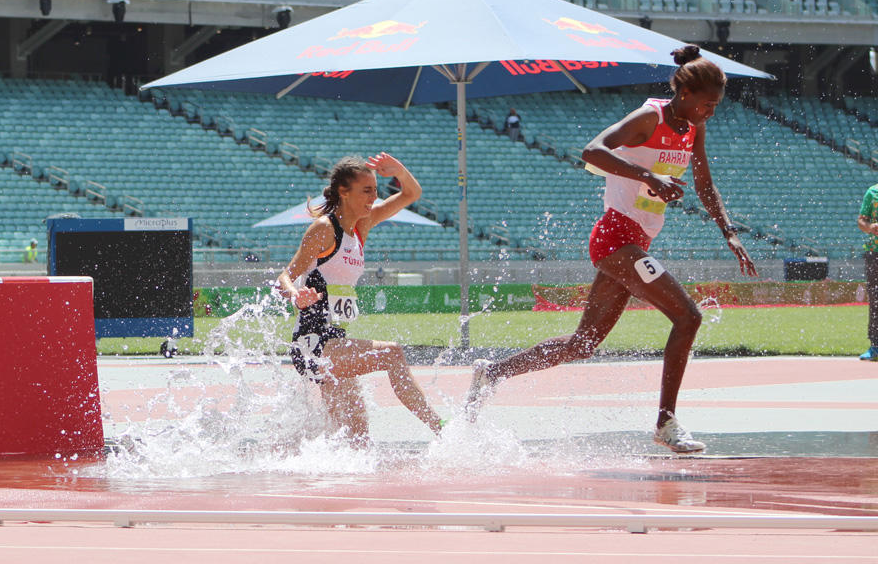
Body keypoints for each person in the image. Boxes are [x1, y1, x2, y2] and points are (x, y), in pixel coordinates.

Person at [466, 45, 757, 453]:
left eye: (716, 106)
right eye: (708, 104)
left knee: (583, 344)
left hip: (636, 241)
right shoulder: (649, 117)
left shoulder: (693, 126)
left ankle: (492, 372)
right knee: (688, 317)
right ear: (686, 95)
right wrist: (647, 174)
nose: (712, 112)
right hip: (615, 238)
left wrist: (729, 231)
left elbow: (705, 183)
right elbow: (592, 151)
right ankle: (666, 422)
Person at [276, 153, 444, 443]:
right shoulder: (324, 230)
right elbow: (284, 278)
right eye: (367, 191)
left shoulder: (360, 227)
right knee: (392, 353)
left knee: (356, 438)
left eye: (376, 191)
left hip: (336, 341)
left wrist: (400, 170)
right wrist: (296, 296)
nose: (373, 198)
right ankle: (441, 427)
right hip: (314, 343)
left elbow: (412, 194)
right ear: (344, 191)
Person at [856, 183, 878, 360]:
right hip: (875, 252)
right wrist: (870, 227)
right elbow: (862, 220)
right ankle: (875, 346)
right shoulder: (873, 192)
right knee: (876, 299)